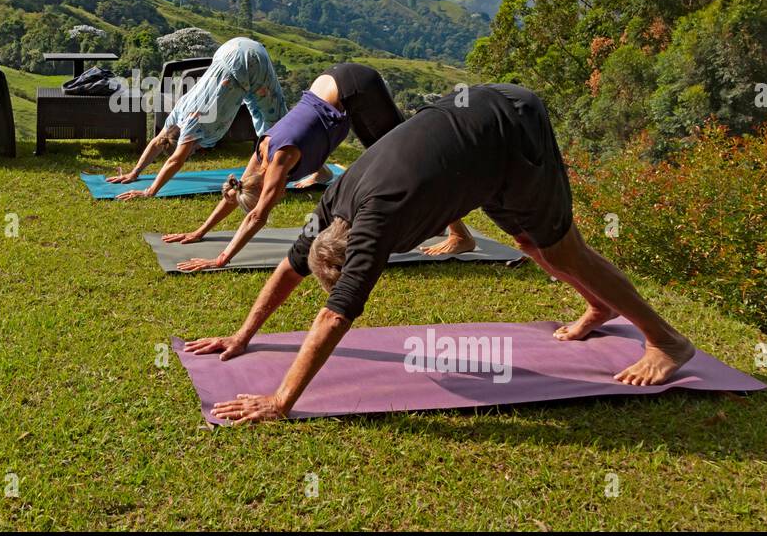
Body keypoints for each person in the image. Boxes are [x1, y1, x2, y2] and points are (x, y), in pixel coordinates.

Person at [183, 83, 696, 424]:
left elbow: (333, 318)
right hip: (473, 141)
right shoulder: (333, 206)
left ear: (358, 255)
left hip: (511, 132)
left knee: (563, 252)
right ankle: (600, 307)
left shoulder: (374, 227)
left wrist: (279, 402)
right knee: (528, 243)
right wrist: (243, 333)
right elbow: (291, 267)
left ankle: (667, 341)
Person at [163, 63, 474, 270]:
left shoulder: (278, 159)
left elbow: (257, 215)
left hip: (355, 87)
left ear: (269, 186)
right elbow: (234, 194)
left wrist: (221, 259)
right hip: (333, 82)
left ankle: (460, 235)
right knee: (386, 156)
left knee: (409, 161)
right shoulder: (257, 159)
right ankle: (322, 171)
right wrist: (199, 231)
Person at [107, 37, 287, 200]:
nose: (193, 153)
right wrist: (135, 172)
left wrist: (149, 191)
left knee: (277, 123)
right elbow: (157, 142)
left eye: (190, 152)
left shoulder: (190, 126)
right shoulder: (176, 117)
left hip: (248, 60)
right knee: (258, 112)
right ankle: (270, 170)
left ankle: (285, 172)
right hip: (229, 49)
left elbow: (175, 161)